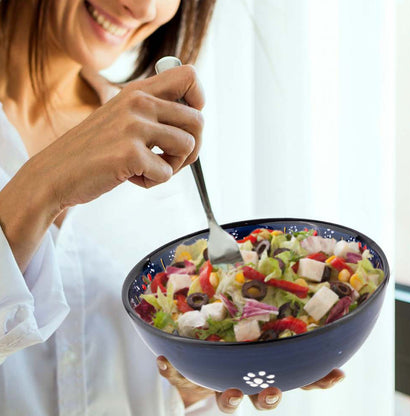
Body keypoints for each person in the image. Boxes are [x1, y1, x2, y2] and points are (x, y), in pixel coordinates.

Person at [0, 0, 344, 414]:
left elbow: (152, 389)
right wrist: (43, 185)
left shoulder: (150, 141)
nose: (143, 6)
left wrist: (195, 381)